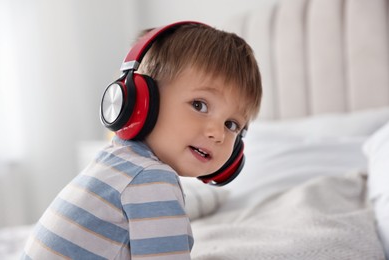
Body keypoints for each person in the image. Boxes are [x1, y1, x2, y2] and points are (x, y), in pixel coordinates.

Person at [22, 21, 262, 259]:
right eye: (199, 105)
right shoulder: (152, 179)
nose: (217, 134)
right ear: (141, 101)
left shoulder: (114, 163)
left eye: (232, 125)